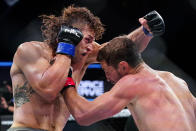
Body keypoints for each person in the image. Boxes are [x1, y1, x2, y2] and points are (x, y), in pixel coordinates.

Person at [8, 5, 164, 131]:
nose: (91, 47)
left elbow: (120, 49)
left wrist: (145, 31)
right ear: (71, 33)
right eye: (88, 40)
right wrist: (66, 47)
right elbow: (49, 90)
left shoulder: (84, 57)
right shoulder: (31, 51)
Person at [63, 35, 196, 131]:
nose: (107, 78)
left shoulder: (132, 82)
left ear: (123, 66)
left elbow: (83, 115)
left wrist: (67, 79)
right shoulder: (176, 80)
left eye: (107, 71)